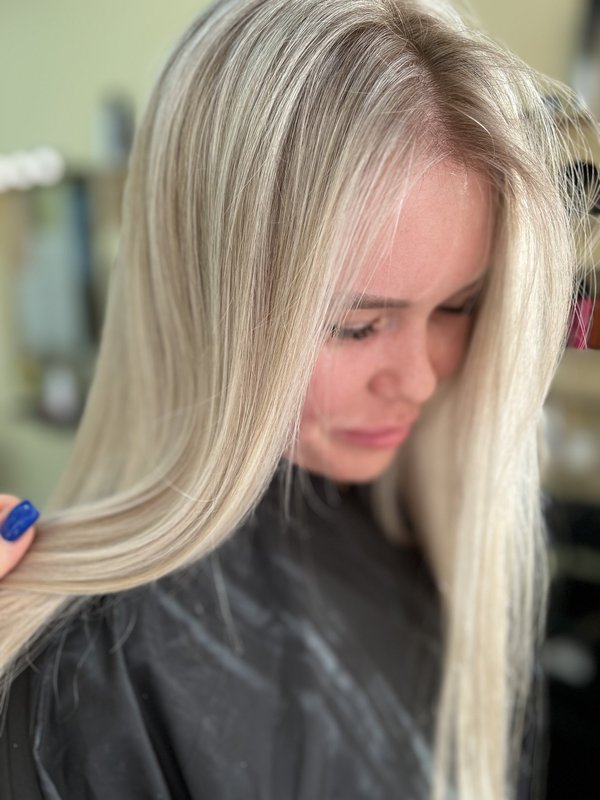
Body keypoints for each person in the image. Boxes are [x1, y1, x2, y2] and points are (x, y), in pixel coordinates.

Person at [0, 1, 598, 798]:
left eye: (458, 307)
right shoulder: (91, 675)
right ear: (203, 297)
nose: (420, 379)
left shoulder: (423, 535)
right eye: (356, 326)